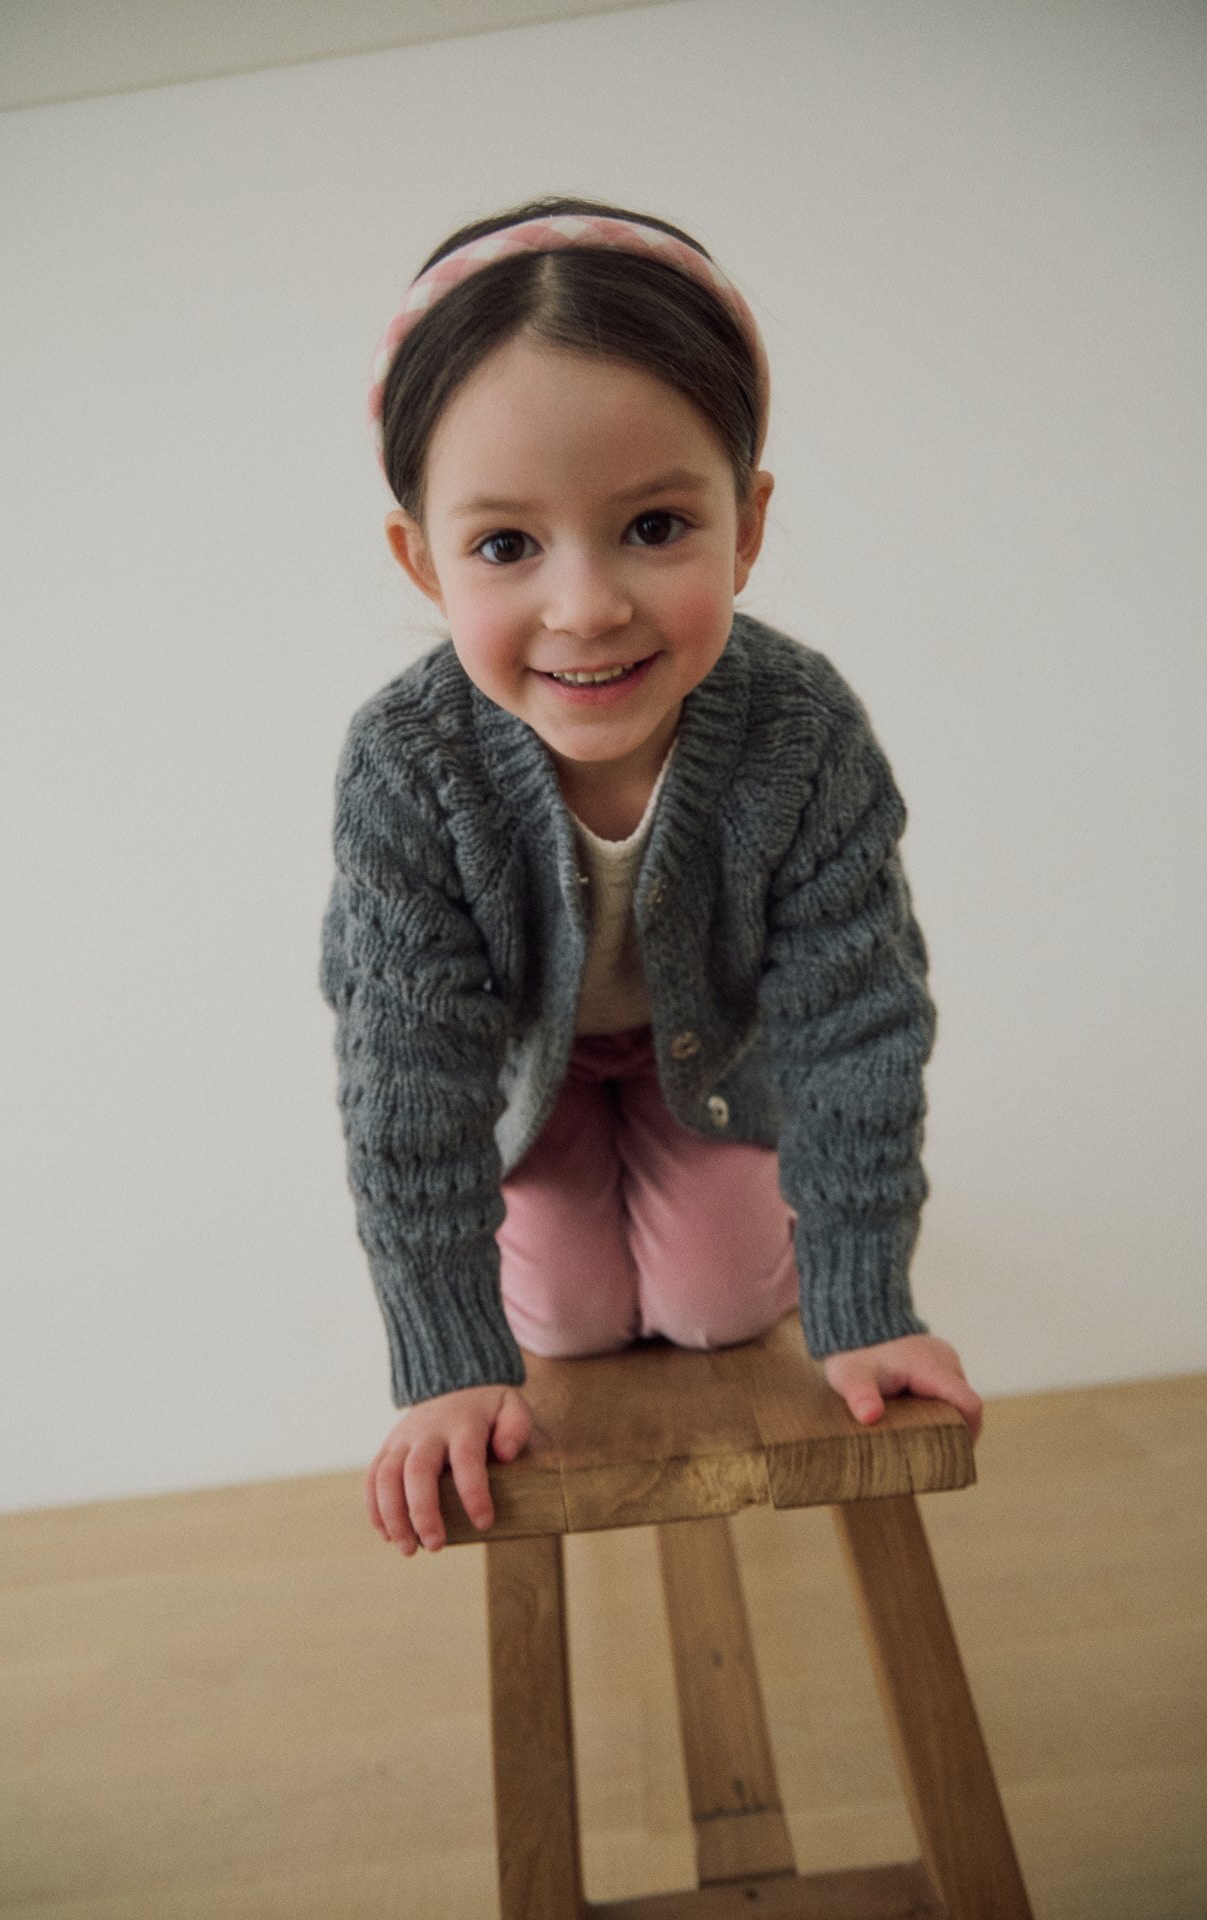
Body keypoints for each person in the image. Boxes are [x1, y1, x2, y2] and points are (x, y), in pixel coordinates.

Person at [321, 196, 982, 1558]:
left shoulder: (801, 731)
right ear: (423, 560)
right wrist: (447, 1357)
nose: (586, 607)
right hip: (528, 1076)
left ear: (746, 525)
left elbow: (855, 1021)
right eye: (507, 546)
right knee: (566, 1321)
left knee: (720, 1305)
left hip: (716, 1057)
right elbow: (408, 1067)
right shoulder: (407, 763)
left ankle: (700, 1203)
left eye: (657, 525)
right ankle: (567, 1202)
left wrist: (868, 1305)